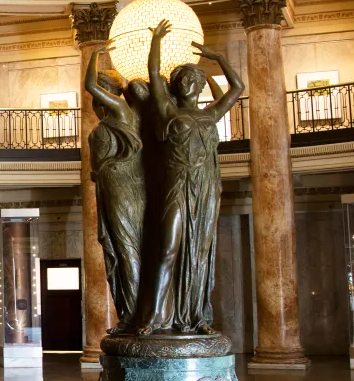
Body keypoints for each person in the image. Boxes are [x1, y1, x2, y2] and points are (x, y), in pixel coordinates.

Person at [138, 19, 245, 335]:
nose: (186, 83)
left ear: (200, 86)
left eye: (192, 79)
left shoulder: (211, 114)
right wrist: (156, 40)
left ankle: (197, 317)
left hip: (205, 186)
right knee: (168, 250)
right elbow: (154, 74)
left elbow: (237, 88)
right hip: (178, 184)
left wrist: (218, 58)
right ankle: (154, 317)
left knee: (198, 253)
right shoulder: (168, 112)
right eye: (181, 79)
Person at [83, 43, 146, 329]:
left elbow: (89, 86)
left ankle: (135, 312)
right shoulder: (108, 120)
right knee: (113, 246)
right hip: (108, 185)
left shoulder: (122, 110)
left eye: (101, 90)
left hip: (123, 184)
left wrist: (95, 57)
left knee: (125, 245)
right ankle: (126, 311)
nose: (95, 98)